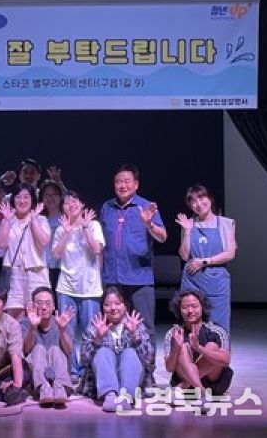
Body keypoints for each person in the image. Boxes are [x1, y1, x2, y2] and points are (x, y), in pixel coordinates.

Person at [100, 164, 166, 389]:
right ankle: (116, 372)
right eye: (118, 181)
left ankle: (148, 373)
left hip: (139, 278)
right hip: (113, 278)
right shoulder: (107, 207)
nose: (122, 185)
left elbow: (163, 237)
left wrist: (149, 224)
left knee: (144, 328)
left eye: (127, 181)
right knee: (111, 327)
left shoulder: (146, 206)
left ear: (136, 184)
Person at [51, 190, 105, 382]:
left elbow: (97, 249)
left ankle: (87, 369)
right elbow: (56, 255)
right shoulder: (60, 229)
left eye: (75, 201)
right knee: (67, 331)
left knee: (90, 332)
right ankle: (72, 369)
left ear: (82, 205)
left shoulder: (93, 225)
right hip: (66, 288)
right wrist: (66, 232)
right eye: (66, 203)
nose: (71, 205)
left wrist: (85, 227)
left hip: (90, 288)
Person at [79, 287, 154, 412]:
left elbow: (149, 361)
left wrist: (135, 335)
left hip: (132, 382)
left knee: (130, 352)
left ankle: (126, 397)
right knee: (103, 352)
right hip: (103, 382)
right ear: (102, 307)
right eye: (107, 305)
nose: (113, 308)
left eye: (118, 303)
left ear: (125, 306)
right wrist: (97, 339)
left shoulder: (136, 324)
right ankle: (110, 395)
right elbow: (84, 361)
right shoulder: (96, 325)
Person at [175, 184, 237, 332]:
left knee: (218, 324)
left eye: (201, 198)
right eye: (193, 201)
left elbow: (230, 253)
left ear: (209, 198)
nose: (199, 204)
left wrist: (205, 262)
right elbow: (184, 255)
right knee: (191, 322)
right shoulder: (188, 224)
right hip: (192, 279)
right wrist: (187, 231)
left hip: (216, 280)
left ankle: (217, 347)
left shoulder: (226, 223)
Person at [164, 289, 233, 396]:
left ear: (202, 307)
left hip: (212, 384)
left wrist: (199, 348)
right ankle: (200, 391)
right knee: (183, 348)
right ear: (179, 310)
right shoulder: (174, 333)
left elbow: (225, 361)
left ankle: (188, 386)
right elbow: (169, 368)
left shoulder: (217, 331)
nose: (190, 311)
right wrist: (176, 348)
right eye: (185, 307)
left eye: (194, 306)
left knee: (211, 346)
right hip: (186, 382)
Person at [0, 183, 51, 318]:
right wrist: (7, 221)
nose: (22, 201)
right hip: (14, 275)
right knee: (15, 318)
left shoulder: (41, 219)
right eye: (18, 197)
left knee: (38, 315)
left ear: (32, 199)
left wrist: (34, 219)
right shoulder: (8, 220)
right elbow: (1, 244)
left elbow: (43, 242)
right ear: (13, 199)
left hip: (37, 273)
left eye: (26, 197)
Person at [20, 286, 75, 406]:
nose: (44, 307)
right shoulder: (25, 323)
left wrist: (62, 330)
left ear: (53, 306)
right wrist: (33, 327)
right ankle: (43, 388)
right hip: (35, 379)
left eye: (48, 303)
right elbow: (26, 350)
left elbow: (69, 351)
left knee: (55, 350)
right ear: (33, 306)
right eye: (39, 303)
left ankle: (60, 387)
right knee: (38, 349)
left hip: (58, 373)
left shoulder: (62, 322)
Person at [40, 180, 65, 294]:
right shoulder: (39, 218)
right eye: (46, 195)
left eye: (54, 194)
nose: (50, 198)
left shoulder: (67, 218)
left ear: (60, 197)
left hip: (63, 268)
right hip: (43, 268)